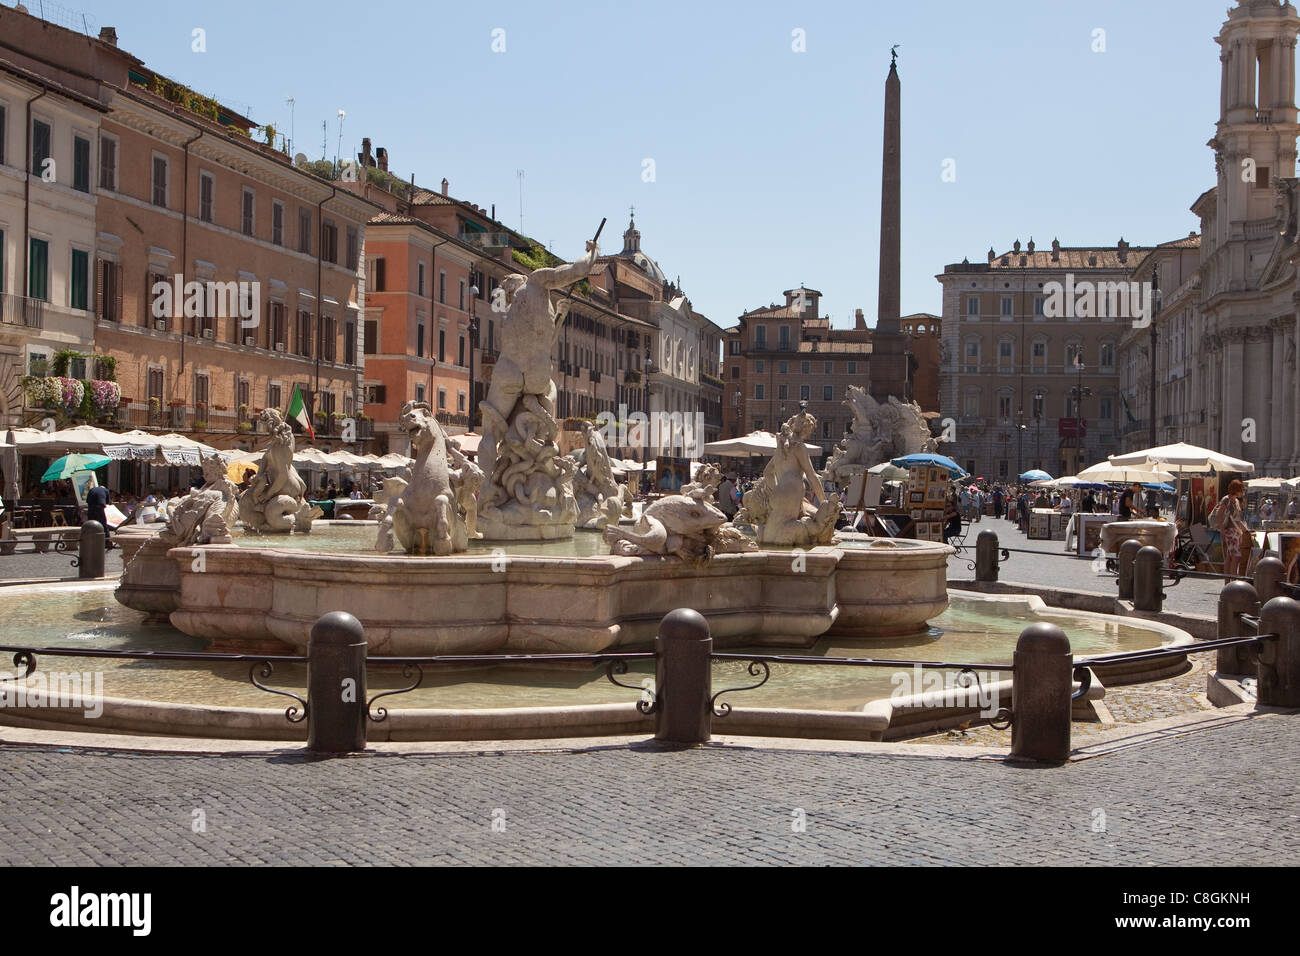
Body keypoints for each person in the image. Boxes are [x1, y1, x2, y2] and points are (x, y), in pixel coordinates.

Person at [1216, 479, 1251, 576]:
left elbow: (1238, 520)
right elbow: (1219, 515)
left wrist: (1246, 530)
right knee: (1236, 556)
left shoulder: (1236, 501)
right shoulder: (1226, 500)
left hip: (1235, 531)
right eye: (1241, 490)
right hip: (1229, 531)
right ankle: (1233, 580)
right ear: (1236, 490)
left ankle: (1228, 582)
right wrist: (1222, 530)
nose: (1243, 493)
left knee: (1230, 557)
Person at [86, 482, 113, 548]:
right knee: (103, 524)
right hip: (99, 507)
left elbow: (87, 501)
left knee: (90, 524)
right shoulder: (106, 490)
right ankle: (107, 541)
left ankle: (89, 539)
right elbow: (107, 502)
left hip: (91, 508)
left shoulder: (92, 489)